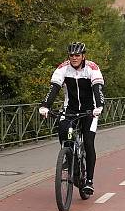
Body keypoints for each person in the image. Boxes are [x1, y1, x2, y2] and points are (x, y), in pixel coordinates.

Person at [38, 42, 105, 195]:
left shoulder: (92, 68)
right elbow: (54, 88)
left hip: (90, 110)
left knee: (88, 142)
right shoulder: (63, 68)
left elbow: (98, 89)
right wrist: (45, 106)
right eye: (71, 55)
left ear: (83, 56)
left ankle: (89, 180)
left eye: (77, 55)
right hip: (71, 109)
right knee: (62, 130)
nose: (74, 58)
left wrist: (99, 106)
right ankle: (69, 156)